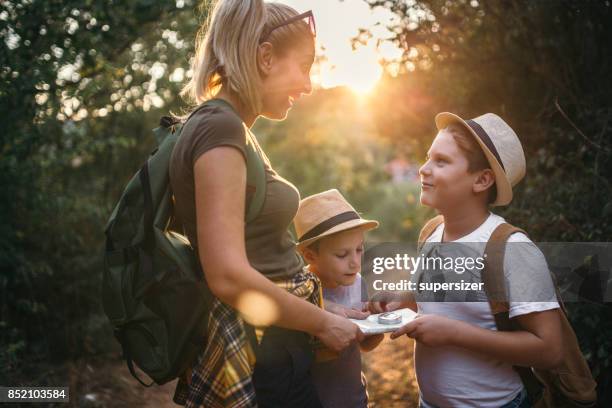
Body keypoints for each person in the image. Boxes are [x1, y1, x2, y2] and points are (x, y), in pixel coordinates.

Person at [168, 1, 362, 407]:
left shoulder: (230, 127)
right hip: (262, 354)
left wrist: (324, 317)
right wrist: (323, 322)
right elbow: (228, 276)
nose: (308, 85)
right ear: (266, 57)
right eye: (304, 66)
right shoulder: (219, 127)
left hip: (276, 343)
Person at [373, 113, 563, 407]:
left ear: (482, 179)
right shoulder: (432, 233)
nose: (423, 169)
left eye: (441, 161)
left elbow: (550, 350)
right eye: (427, 158)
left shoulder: (513, 250)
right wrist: (399, 301)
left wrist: (454, 334)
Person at [294, 189, 384, 408]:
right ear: (310, 255)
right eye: (342, 255)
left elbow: (365, 345)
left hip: (353, 398)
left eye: (359, 250)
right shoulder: (297, 292)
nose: (354, 262)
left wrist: (377, 322)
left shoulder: (357, 282)